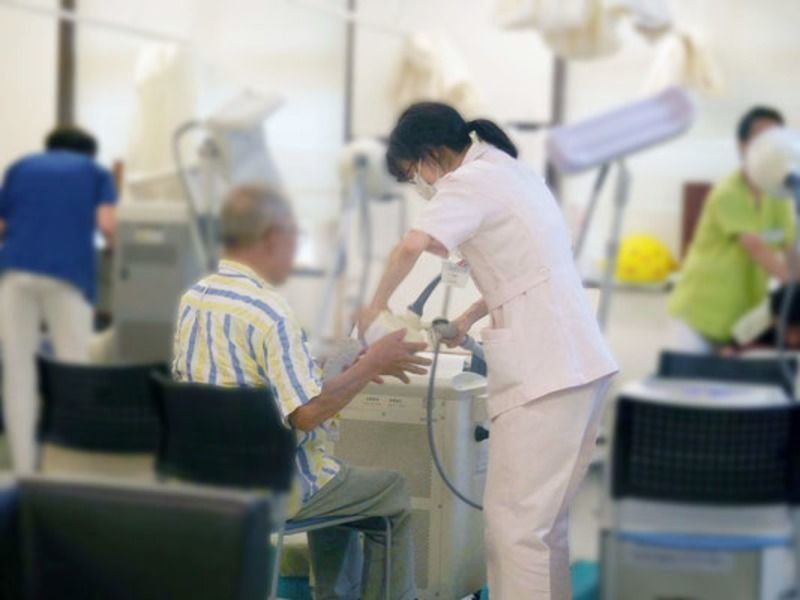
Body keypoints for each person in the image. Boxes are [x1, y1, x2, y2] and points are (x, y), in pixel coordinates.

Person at [357, 103, 618, 600]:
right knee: (541, 528)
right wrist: (467, 319)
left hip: (547, 370)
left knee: (515, 528)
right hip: (575, 363)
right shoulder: (509, 170)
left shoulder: (468, 182)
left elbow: (411, 246)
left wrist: (373, 308)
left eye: (414, 175)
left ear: (431, 154)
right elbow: (527, 270)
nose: (420, 186)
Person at [172, 184, 429, 600]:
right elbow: (307, 414)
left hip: (203, 475)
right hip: (269, 487)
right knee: (391, 490)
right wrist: (372, 366)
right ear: (273, 237)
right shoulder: (269, 312)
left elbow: (236, 381)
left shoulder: (195, 298)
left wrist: (340, 364)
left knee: (338, 481)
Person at [0, 126, 117, 474]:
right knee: (73, 368)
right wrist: (116, 251)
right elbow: (107, 225)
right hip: (67, 275)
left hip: (14, 273)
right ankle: (68, 468)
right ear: (88, 152)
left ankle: (23, 469)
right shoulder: (95, 172)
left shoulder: (20, 167)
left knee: (17, 371)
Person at [668, 106, 794, 353]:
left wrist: (795, 280)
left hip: (738, 322)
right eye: (761, 139)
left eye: (775, 139)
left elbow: (790, 246)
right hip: (698, 314)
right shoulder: (728, 192)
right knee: (688, 375)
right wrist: (792, 286)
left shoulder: (777, 195)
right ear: (742, 146)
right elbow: (756, 247)